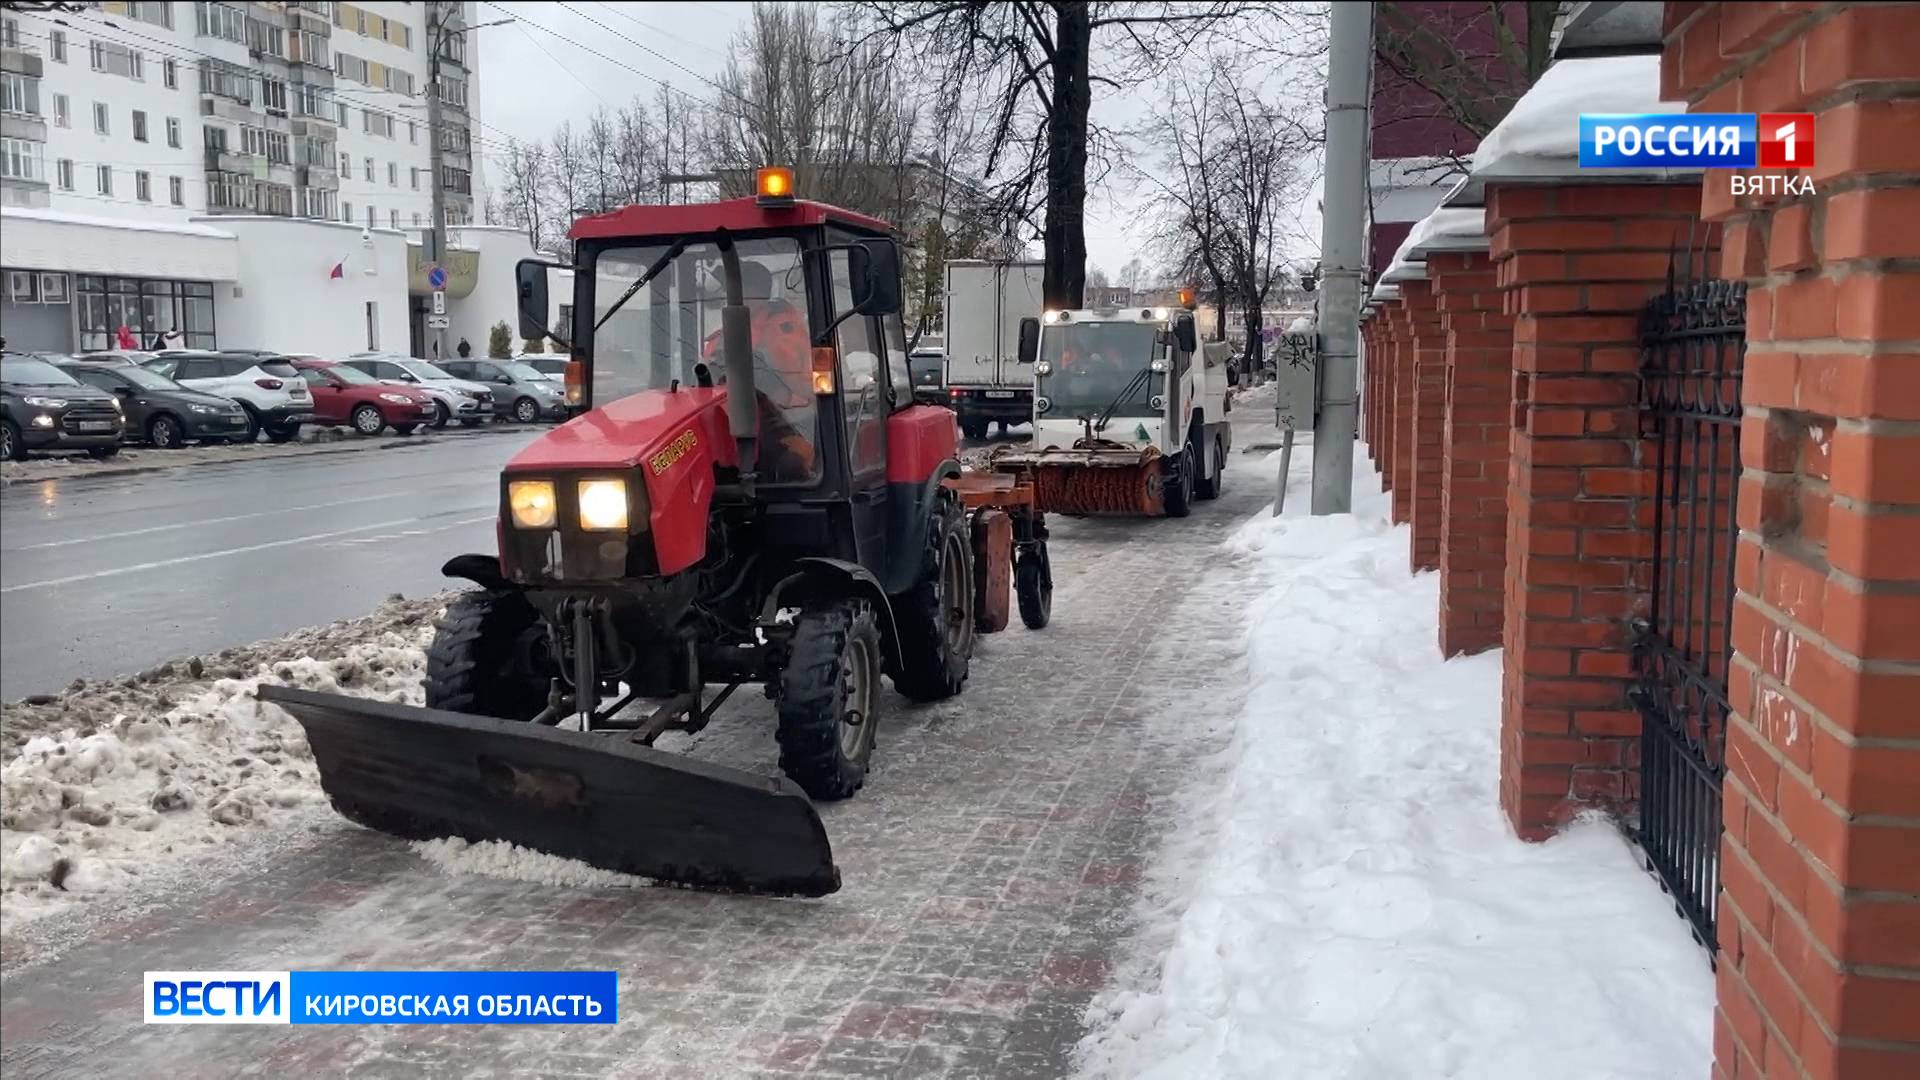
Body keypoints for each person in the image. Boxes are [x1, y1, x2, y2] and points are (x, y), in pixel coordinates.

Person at [700, 261, 817, 482]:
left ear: (757, 293)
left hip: (788, 426)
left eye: (734, 289)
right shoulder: (725, 335)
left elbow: (788, 389)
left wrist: (763, 375)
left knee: (785, 466)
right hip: (731, 424)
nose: (728, 295)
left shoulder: (782, 330)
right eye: (728, 290)